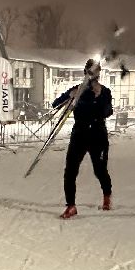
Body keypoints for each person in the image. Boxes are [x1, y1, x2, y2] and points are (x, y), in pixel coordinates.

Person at [52, 58, 114, 218]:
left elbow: (108, 112)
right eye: (88, 72)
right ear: (84, 72)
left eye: (94, 72)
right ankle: (71, 206)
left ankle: (107, 196)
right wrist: (70, 96)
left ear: (98, 74)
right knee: (70, 171)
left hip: (98, 135)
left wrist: (99, 97)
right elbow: (56, 104)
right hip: (79, 134)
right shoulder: (77, 90)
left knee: (100, 170)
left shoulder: (104, 91)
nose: (91, 76)